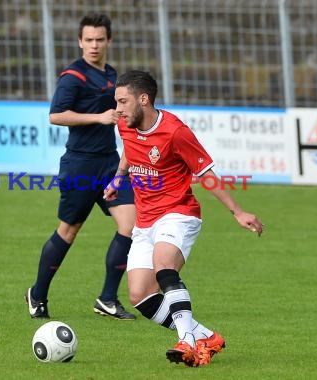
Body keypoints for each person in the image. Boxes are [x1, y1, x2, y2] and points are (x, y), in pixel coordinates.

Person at [104, 70, 264, 366]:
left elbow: (206, 174)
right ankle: (206, 338)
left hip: (178, 213)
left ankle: (187, 343)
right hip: (146, 220)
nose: (118, 109)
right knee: (140, 295)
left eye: (123, 101)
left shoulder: (176, 132)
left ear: (144, 99)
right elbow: (129, 149)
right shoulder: (126, 123)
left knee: (164, 266)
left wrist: (237, 211)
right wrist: (118, 178)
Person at [25, 13, 136, 320]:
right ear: (80, 41)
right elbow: (56, 116)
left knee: (131, 225)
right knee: (69, 231)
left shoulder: (113, 75)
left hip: (110, 165)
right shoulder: (73, 76)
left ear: (109, 41)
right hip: (80, 165)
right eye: (88, 40)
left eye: (100, 39)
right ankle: (37, 294)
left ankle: (108, 299)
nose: (94, 45)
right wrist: (98, 118)